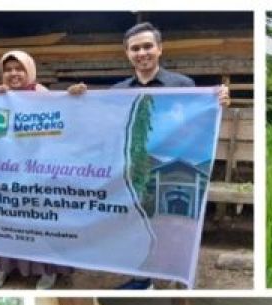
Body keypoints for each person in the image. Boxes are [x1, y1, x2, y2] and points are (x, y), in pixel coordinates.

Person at [98, 22, 231, 290]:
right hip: (132, 171)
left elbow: (197, 124)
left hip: (172, 166)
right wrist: (75, 97)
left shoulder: (183, 85)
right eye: (135, 48)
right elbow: (101, 123)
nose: (142, 53)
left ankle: (176, 274)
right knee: (135, 224)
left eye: (147, 46)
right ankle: (141, 279)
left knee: (174, 224)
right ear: (127, 54)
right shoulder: (118, 92)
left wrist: (219, 102)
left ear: (159, 49)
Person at [0, 51, 76, 290]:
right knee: (4, 222)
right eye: (8, 69)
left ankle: (47, 271)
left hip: (39, 172)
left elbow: (65, 130)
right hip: (4, 171)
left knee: (39, 222)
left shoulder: (47, 97)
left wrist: (73, 98)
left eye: (19, 69)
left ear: (29, 70)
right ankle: (2, 267)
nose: (13, 74)